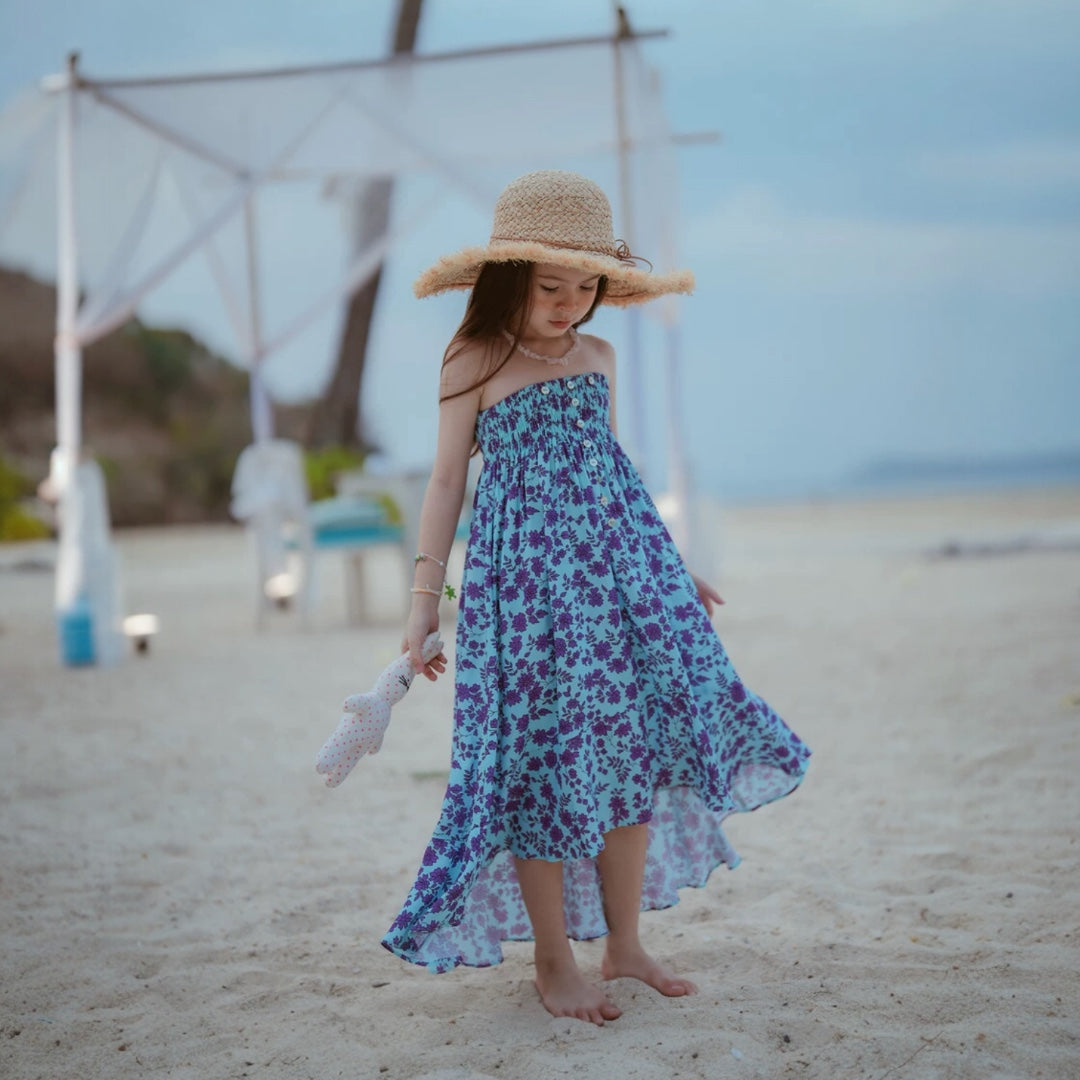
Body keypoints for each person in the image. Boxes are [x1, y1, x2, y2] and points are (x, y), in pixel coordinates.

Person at [385, 170, 810, 1026]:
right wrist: (423, 600)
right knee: (536, 763)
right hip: (522, 600)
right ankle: (553, 961)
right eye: (552, 285)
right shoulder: (474, 359)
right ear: (511, 277)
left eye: (586, 287)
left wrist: (670, 567)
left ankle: (625, 944)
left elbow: (612, 479)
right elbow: (442, 483)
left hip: (617, 588)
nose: (570, 304)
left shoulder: (599, 359)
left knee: (630, 749)